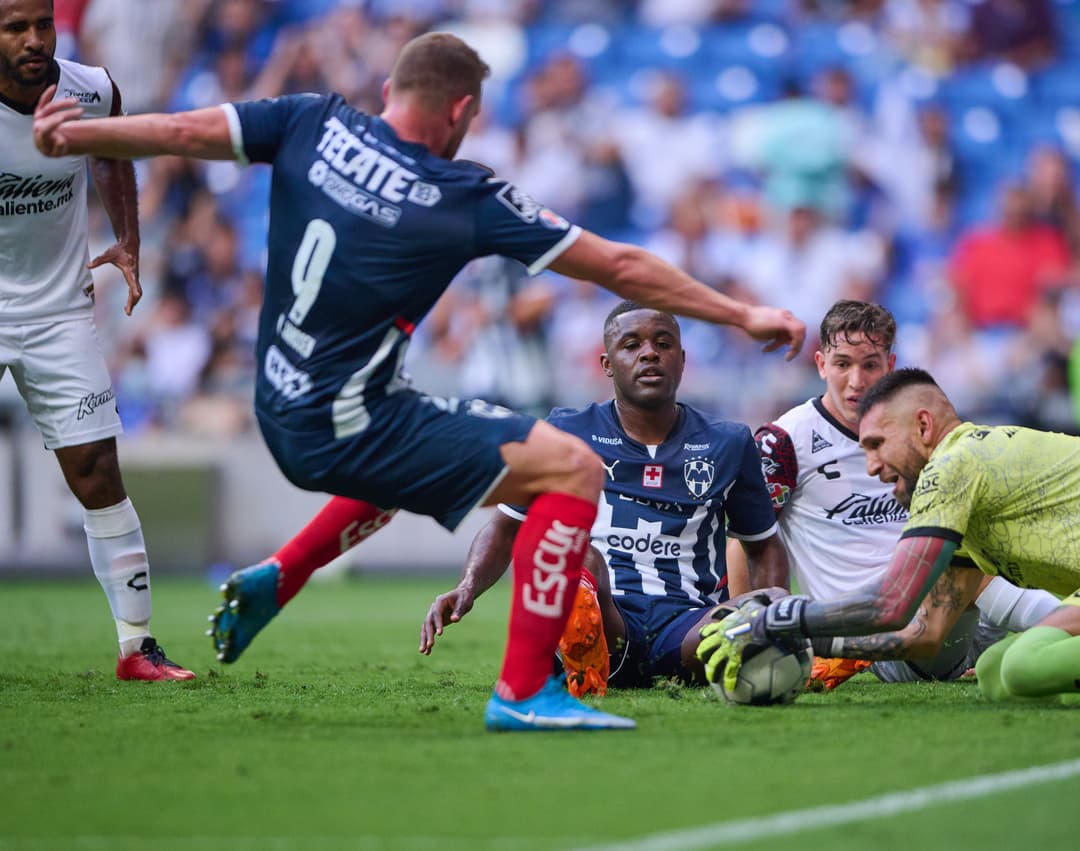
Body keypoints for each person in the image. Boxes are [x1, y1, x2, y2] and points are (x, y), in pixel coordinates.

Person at [32, 32, 805, 731]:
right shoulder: (459, 194)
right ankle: (524, 690)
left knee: (433, 444)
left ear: (389, 93)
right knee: (571, 467)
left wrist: (76, 132)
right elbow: (622, 265)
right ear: (462, 109)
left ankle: (283, 570)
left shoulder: (311, 119)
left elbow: (178, 132)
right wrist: (740, 313)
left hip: (278, 402)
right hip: (344, 414)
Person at [700, 368, 1080, 709]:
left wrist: (782, 620)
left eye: (877, 444)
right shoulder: (969, 498)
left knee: (1029, 657)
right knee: (1003, 672)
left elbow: (889, 604)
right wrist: (818, 651)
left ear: (924, 426)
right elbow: (923, 635)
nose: (871, 465)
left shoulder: (955, 465)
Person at [421, 301, 790, 695]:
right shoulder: (567, 431)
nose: (650, 353)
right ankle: (582, 657)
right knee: (577, 553)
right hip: (607, 616)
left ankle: (769, 651)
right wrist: (467, 585)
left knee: (775, 599)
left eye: (663, 344)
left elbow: (763, 546)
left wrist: (766, 622)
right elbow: (507, 526)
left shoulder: (728, 441)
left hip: (689, 630)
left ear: (682, 361)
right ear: (607, 363)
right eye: (631, 344)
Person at [1, 0, 192, 680]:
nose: (33, 40)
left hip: (57, 313)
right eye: (14, 27)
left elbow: (113, 152)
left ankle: (137, 648)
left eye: (42, 25)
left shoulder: (91, 88)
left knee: (99, 475)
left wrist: (129, 242)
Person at [728, 301, 1059, 689]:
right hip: (876, 641)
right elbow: (746, 542)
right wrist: (747, 631)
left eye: (869, 364)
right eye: (842, 364)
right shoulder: (784, 441)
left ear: (891, 365)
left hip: (958, 624)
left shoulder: (918, 428)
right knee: (958, 561)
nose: (856, 380)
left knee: (989, 546)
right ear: (820, 364)